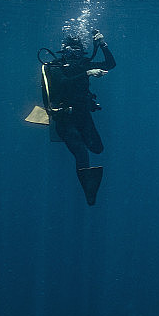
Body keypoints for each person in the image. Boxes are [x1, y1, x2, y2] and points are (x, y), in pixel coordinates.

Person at [41, 29, 116, 205]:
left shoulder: (83, 64)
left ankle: (87, 183)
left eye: (76, 52)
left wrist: (103, 44)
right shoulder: (54, 67)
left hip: (82, 116)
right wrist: (88, 73)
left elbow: (110, 64)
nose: (72, 56)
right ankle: (88, 194)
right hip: (64, 118)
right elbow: (62, 83)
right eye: (68, 52)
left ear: (81, 52)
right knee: (82, 154)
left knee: (98, 149)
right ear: (63, 51)